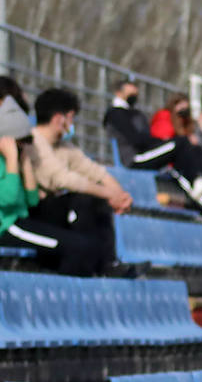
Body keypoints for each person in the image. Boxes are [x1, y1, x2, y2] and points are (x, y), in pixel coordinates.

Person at [24, 88, 130, 276]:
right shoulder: (34, 142)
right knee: (85, 199)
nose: (72, 124)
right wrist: (107, 193)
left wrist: (119, 195)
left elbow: (95, 171)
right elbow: (61, 178)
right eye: (71, 117)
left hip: (54, 210)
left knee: (95, 199)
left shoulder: (65, 147)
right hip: (37, 210)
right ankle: (84, 266)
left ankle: (108, 264)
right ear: (59, 118)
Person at [0, 96, 108, 276]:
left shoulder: (16, 161)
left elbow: (32, 200)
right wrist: (11, 159)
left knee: (87, 244)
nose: (23, 147)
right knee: (77, 247)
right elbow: (8, 199)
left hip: (19, 222)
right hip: (6, 227)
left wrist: (25, 165)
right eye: (20, 141)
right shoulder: (7, 162)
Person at [102, 80, 202, 198]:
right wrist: (162, 143)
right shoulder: (115, 114)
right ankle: (196, 181)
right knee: (180, 142)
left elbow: (146, 138)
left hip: (145, 153)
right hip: (134, 159)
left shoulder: (136, 113)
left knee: (191, 147)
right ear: (118, 93)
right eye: (130, 93)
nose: (134, 96)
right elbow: (137, 140)